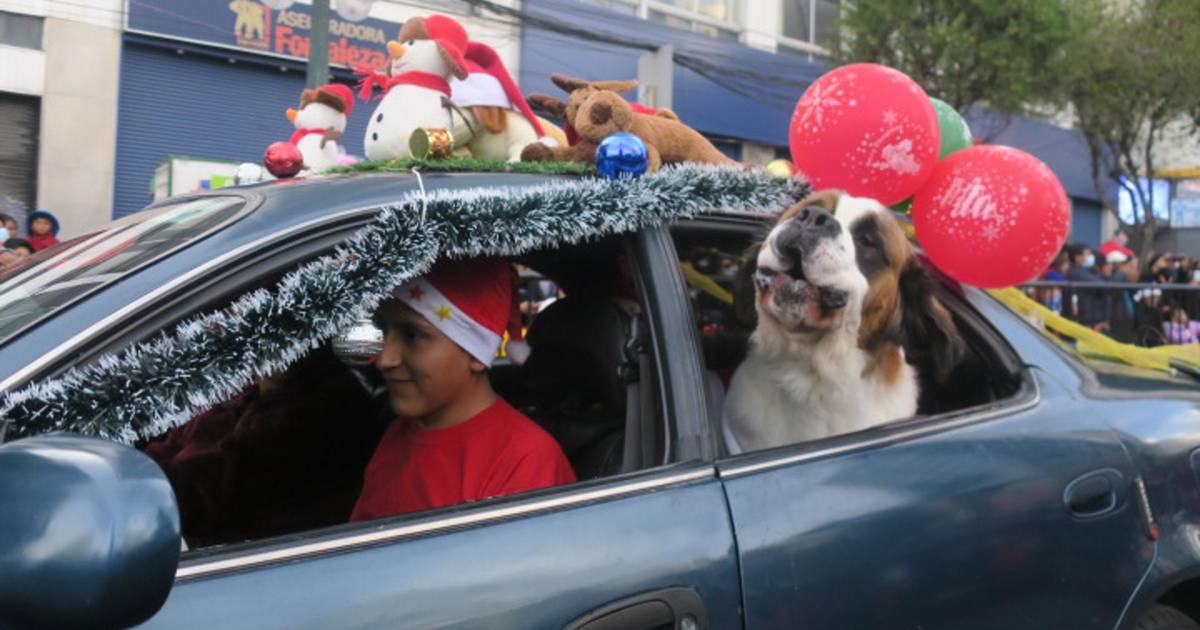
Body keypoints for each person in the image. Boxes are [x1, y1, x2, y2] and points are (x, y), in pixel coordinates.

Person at [350, 257, 576, 522]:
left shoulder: (524, 461)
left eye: (413, 335)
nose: (385, 359)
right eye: (384, 330)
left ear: (476, 353)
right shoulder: (399, 433)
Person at [1065, 243, 1109, 332]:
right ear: (1077, 258)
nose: (1091, 257)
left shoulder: (1084, 271)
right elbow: (1102, 286)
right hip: (1087, 321)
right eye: (1087, 254)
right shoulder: (1077, 272)